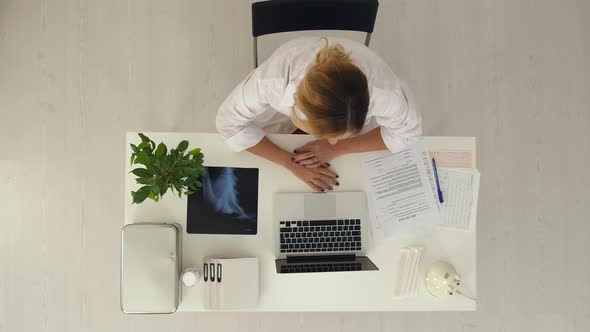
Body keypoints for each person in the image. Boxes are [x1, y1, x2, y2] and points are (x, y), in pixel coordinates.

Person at [216, 37, 422, 192]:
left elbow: (408, 134)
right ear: (298, 109)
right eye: (329, 137)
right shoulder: (272, 82)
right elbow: (228, 124)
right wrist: (288, 161)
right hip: (286, 81)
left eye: (340, 137)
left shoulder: (385, 93)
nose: (332, 143)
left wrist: (342, 147)